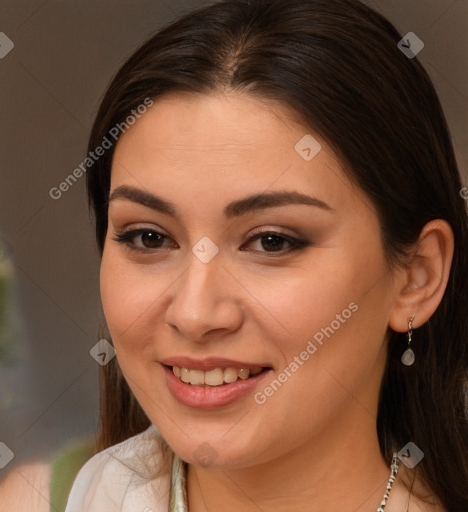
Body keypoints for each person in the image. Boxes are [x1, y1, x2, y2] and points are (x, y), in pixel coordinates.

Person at [65, 0, 468, 510]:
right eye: (149, 237)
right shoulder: (95, 494)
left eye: (272, 241)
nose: (194, 313)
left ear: (417, 276)